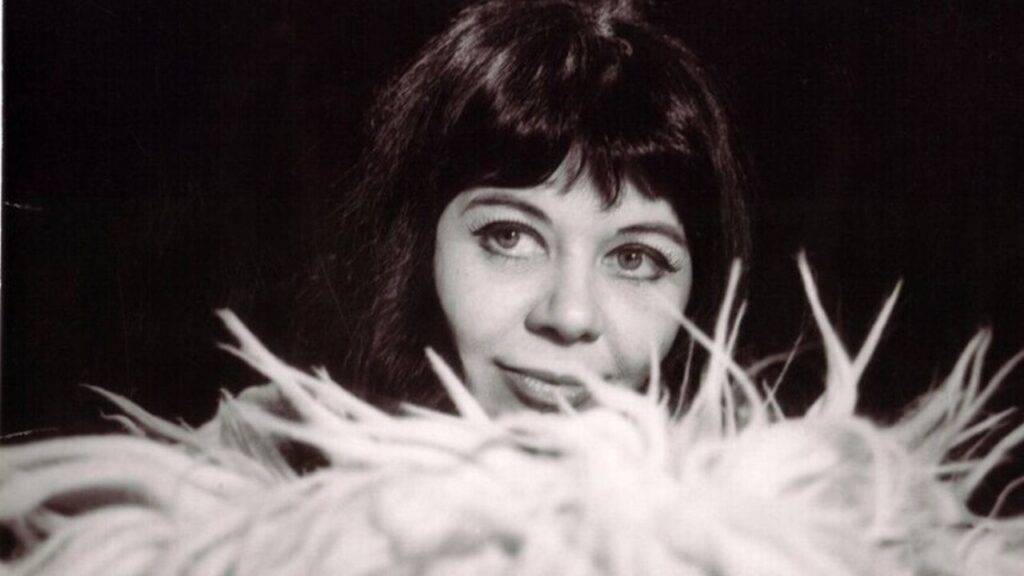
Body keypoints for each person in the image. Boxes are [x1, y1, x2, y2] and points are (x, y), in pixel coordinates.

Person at [297, 0, 750, 414]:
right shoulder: (270, 454)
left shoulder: (763, 475)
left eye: (634, 258)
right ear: (416, 246)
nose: (570, 317)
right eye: (509, 237)